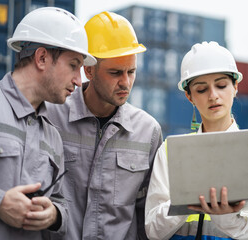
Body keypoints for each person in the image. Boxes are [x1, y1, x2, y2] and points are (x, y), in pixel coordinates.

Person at [145, 41, 248, 240]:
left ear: (235, 87)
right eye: (201, 90)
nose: (213, 96)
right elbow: (153, 231)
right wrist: (184, 201)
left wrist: (226, 217)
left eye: (221, 85)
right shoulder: (169, 152)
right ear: (189, 96)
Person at [45, 11, 163, 240]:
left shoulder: (148, 131)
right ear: (88, 69)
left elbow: (148, 214)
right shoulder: (52, 117)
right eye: (116, 73)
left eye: (131, 72)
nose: (126, 83)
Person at [0, 7, 96, 240]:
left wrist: (54, 215)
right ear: (42, 58)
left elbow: (61, 203)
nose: (78, 80)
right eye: (73, 65)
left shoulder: (53, 135)